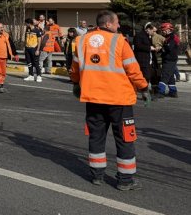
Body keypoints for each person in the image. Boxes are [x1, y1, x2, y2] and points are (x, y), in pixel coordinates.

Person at [70, 10, 149, 191]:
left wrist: (76, 83)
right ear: (108, 24)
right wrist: (144, 88)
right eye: (117, 23)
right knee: (124, 138)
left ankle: (97, 175)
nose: (119, 26)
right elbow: (133, 69)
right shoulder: (119, 41)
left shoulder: (81, 41)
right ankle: (125, 180)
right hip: (118, 99)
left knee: (96, 135)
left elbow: (75, 67)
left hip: (93, 98)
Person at [158, 22, 180, 98]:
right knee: (170, 77)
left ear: (168, 30)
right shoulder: (168, 38)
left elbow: (169, 48)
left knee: (164, 75)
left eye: (163, 30)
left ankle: (160, 92)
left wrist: (162, 48)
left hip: (170, 59)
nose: (162, 32)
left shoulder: (172, 38)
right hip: (169, 59)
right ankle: (173, 92)